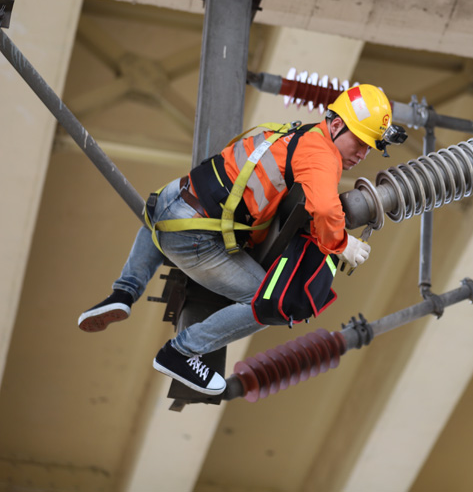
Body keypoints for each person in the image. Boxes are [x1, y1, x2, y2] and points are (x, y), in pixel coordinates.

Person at [78, 84, 403, 395]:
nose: (362, 154)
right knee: (266, 301)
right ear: (335, 124)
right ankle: (180, 353)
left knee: (156, 226)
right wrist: (344, 244)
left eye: (369, 147)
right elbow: (325, 208)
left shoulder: (300, 132)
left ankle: (122, 293)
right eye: (359, 142)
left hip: (170, 200)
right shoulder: (321, 155)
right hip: (193, 235)